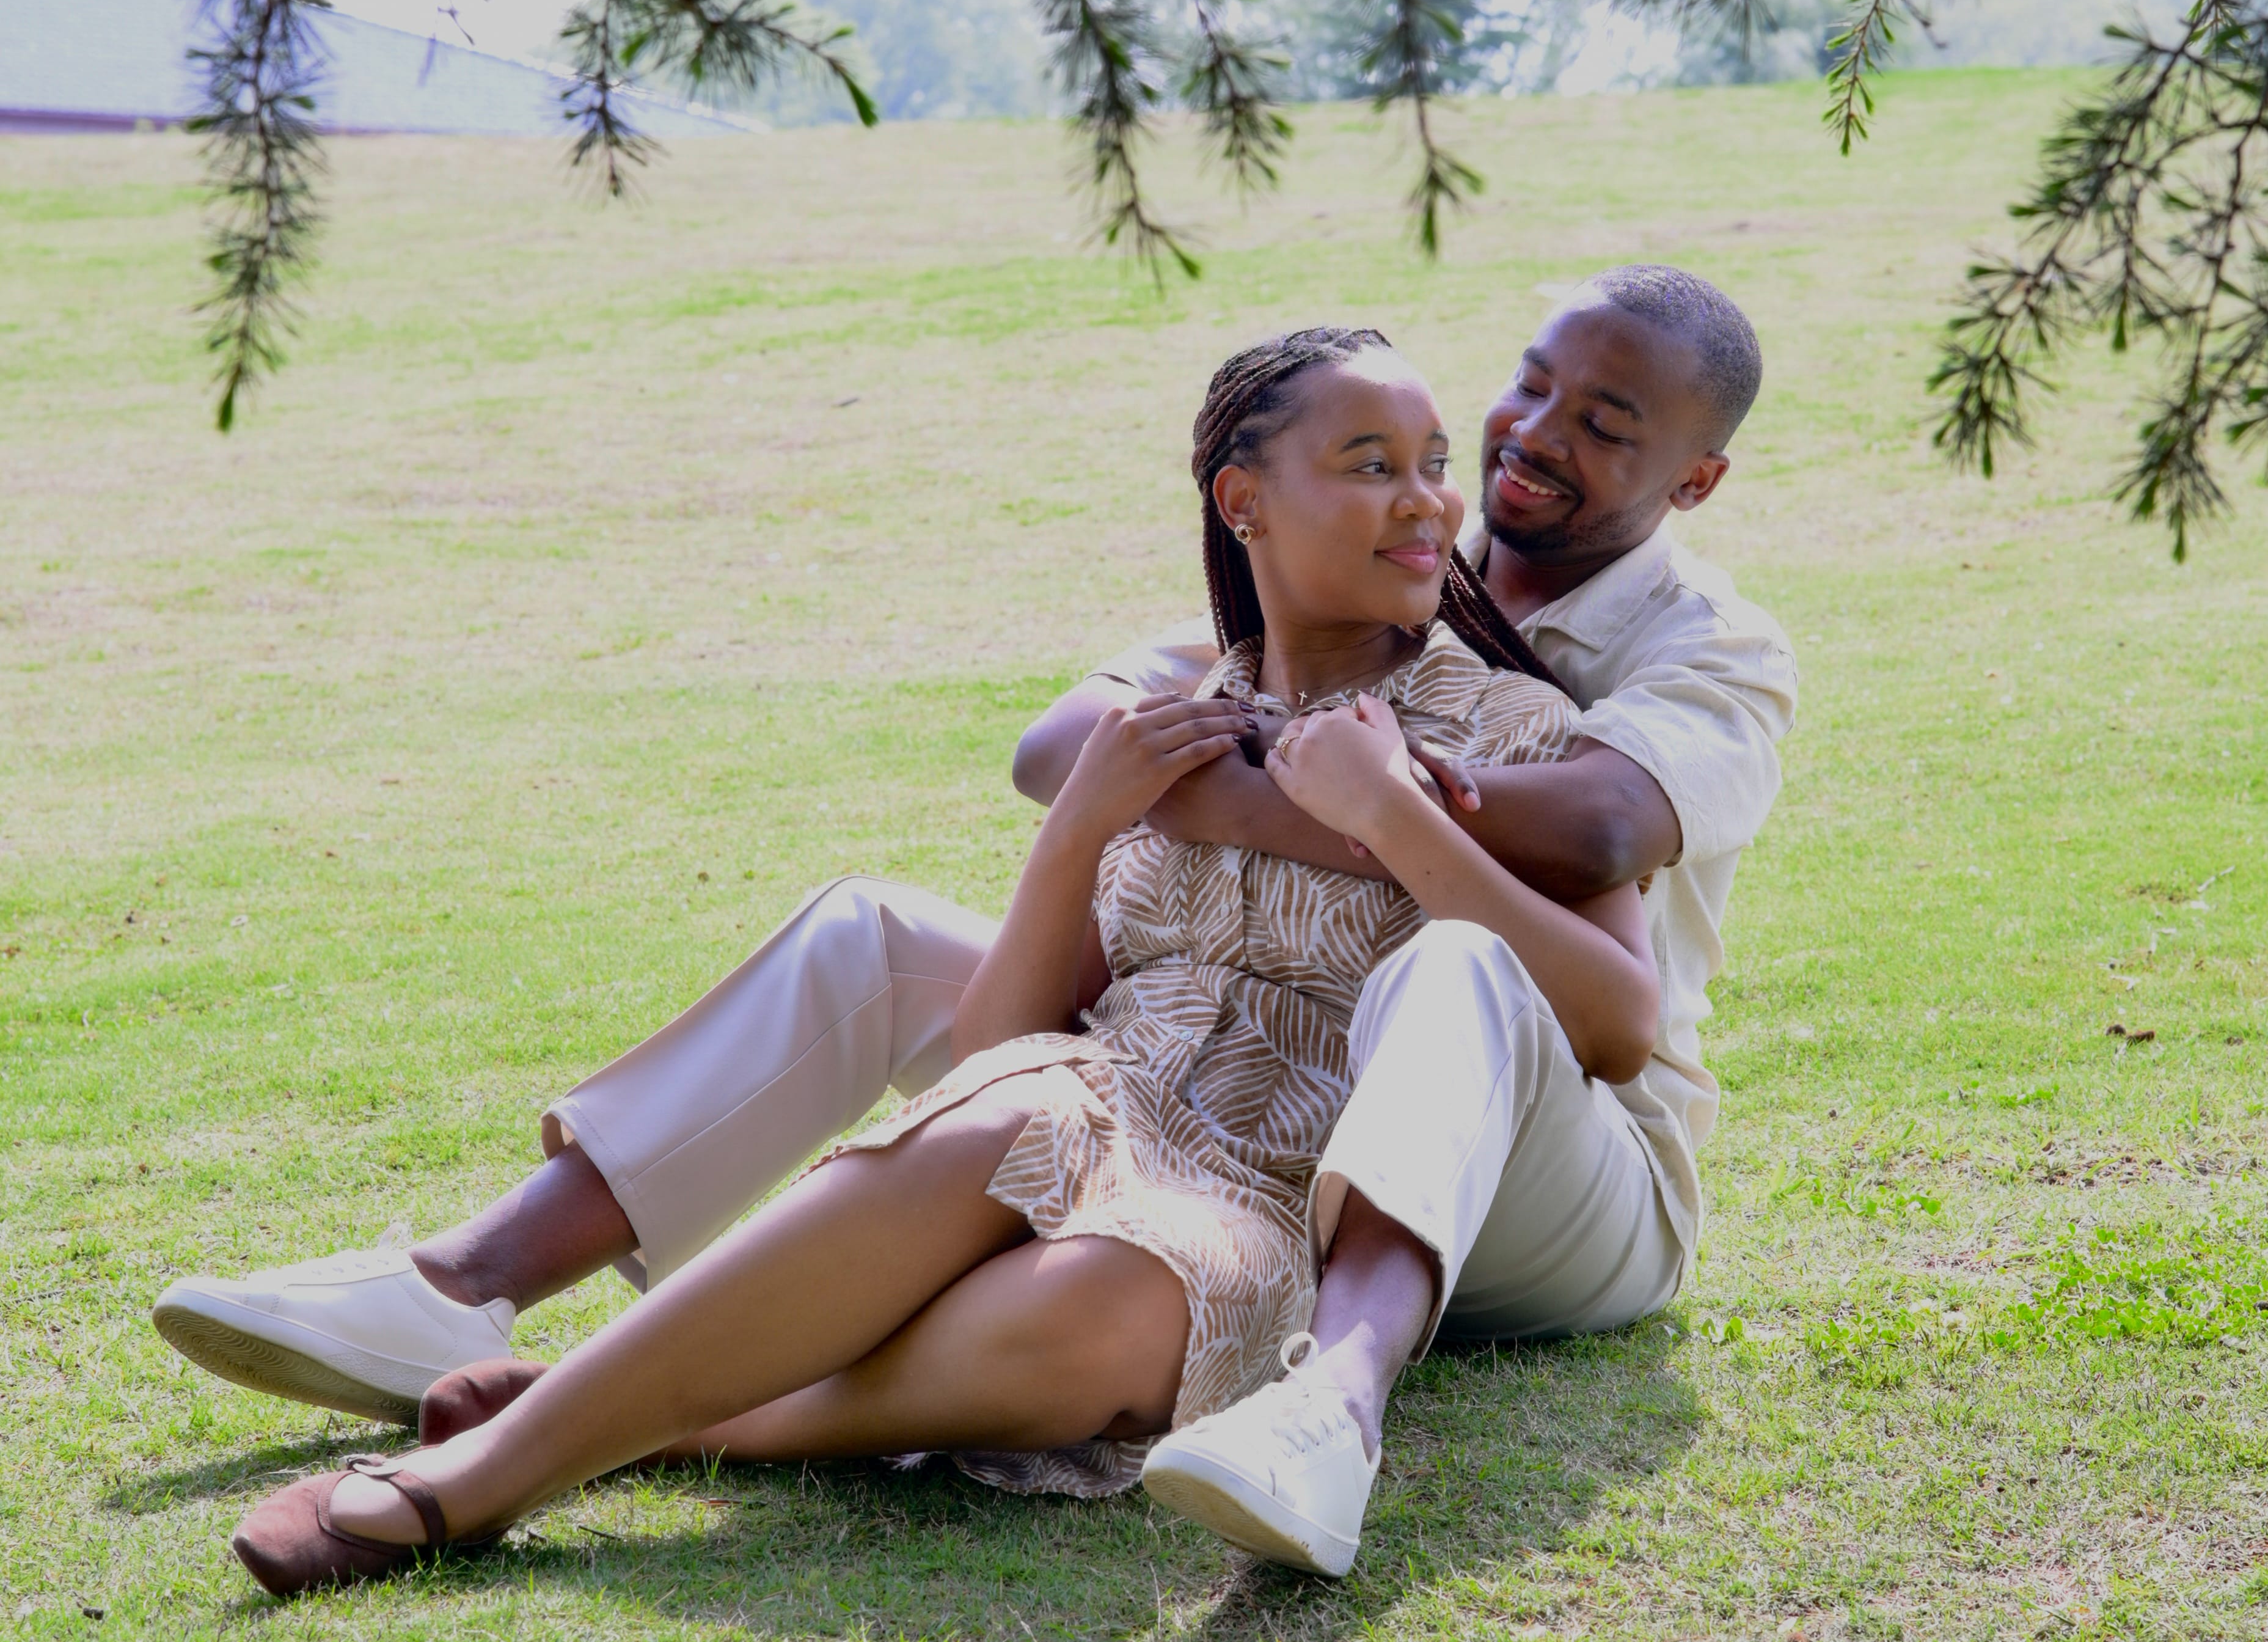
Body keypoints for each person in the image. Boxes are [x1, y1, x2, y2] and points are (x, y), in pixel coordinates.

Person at [161, 260, 1796, 1577]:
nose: (1474, 473)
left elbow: (1604, 873)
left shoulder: (1597, 687)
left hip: (1511, 1156)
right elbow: (1052, 825)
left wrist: (1380, 804)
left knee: (1399, 1009)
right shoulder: (1228, 673)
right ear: (1249, 502)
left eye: (1592, 427)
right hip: (1131, 1108)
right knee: (975, 1071)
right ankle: (480, 1367)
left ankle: (647, 1414)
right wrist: (1114, 801)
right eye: (1398, 458)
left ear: (1693, 474)